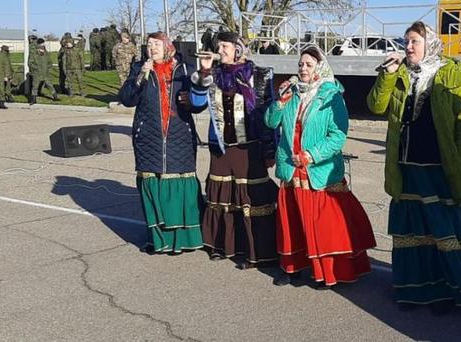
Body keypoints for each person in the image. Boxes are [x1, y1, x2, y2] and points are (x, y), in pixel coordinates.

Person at [367, 21, 461, 315]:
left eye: (414, 41)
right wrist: (386, 75)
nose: (408, 47)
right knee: (414, 234)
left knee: (448, 233)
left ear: (430, 45)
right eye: (406, 42)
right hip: (407, 167)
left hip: (439, 168)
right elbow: (375, 106)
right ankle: (421, 292)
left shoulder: (450, 73)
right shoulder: (399, 75)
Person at [265, 46, 376, 288]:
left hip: (317, 168)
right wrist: (280, 101)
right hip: (290, 169)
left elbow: (338, 135)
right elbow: (270, 121)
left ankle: (327, 271)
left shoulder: (331, 96)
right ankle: (292, 268)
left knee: (322, 225)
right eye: (300, 64)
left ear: (320, 67)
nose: (303, 69)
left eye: (308, 64)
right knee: (292, 222)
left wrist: (311, 155)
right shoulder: (291, 94)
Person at [190, 31, 279, 269]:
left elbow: (271, 118)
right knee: (222, 199)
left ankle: (256, 253)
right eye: (219, 47)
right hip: (221, 148)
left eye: (225, 47)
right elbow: (197, 105)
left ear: (238, 49)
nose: (220, 51)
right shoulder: (213, 75)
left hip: (250, 149)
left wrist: (271, 151)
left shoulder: (260, 75)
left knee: (252, 201)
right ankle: (223, 246)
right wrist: (205, 71)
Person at [118, 31, 204, 254]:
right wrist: (140, 78)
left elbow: (199, 102)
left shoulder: (184, 69)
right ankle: (158, 240)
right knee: (153, 184)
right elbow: (127, 99)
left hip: (179, 134)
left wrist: (191, 100)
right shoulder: (139, 68)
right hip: (149, 136)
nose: (152, 48)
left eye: (156, 44)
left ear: (167, 46)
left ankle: (184, 240)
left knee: (180, 186)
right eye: (148, 45)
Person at [28, 38, 59, 104]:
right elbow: (30, 63)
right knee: (35, 86)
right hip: (37, 73)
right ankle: (33, 99)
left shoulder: (46, 55)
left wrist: (48, 67)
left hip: (45, 73)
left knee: (50, 85)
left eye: (43, 49)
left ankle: (55, 96)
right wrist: (36, 68)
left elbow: (50, 63)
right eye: (40, 49)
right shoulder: (33, 55)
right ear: (38, 49)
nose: (42, 50)